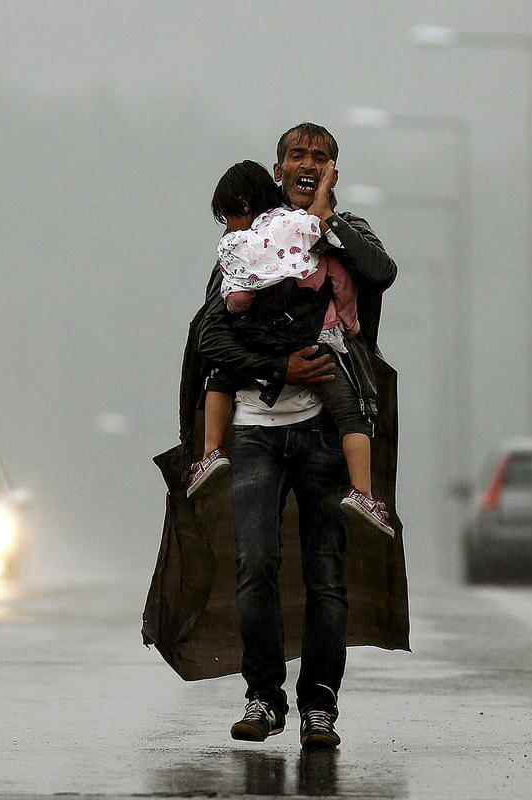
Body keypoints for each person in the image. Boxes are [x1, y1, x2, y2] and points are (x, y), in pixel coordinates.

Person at [195, 122, 398, 749]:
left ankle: (320, 706)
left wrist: (327, 214)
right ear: (277, 168)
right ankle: (263, 698)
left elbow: (381, 272)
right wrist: (277, 366)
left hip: (323, 435)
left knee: (325, 575)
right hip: (256, 430)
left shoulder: (345, 233)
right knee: (255, 565)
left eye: (319, 157)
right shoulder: (251, 239)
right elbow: (212, 336)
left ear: (334, 168)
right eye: (295, 155)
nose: (306, 163)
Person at [187, 159, 391, 537]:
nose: (230, 226)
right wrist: (347, 319)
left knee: (220, 375)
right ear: (277, 172)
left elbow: (229, 307)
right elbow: (342, 278)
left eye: (229, 216)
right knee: (352, 413)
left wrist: (241, 311)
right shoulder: (311, 227)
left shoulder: (244, 241)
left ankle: (210, 453)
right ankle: (363, 491)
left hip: (260, 347)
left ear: (244, 205)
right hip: (317, 346)